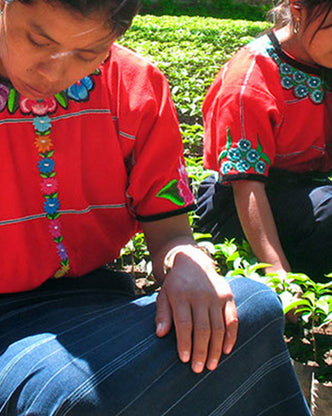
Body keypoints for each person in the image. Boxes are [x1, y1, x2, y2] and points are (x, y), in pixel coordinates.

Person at [0, 0, 312, 415]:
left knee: (253, 308)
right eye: (38, 41)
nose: (53, 72)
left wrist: (187, 263)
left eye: (87, 55)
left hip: (97, 298)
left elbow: (171, 233)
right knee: (74, 394)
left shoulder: (136, 86)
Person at [196, 0, 332, 282]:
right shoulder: (251, 76)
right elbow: (246, 186)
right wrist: (278, 274)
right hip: (239, 208)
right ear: (298, 11)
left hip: (306, 194)